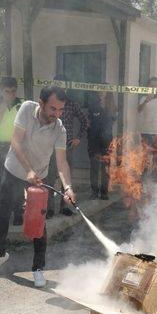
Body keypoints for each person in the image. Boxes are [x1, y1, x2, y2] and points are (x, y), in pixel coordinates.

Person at [0, 86, 75, 288]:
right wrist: (28, 170)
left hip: (38, 178)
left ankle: (38, 268)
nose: (57, 114)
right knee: (2, 213)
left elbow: (61, 163)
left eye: (61, 110)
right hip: (14, 169)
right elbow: (15, 142)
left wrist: (68, 187)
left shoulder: (59, 129)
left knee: (38, 223)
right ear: (41, 103)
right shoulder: (26, 109)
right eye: (53, 109)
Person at [46, 75, 88, 217]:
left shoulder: (72, 104)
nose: (60, 89)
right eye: (57, 86)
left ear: (66, 88)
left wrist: (78, 138)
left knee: (67, 179)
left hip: (67, 147)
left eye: (62, 86)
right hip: (50, 147)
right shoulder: (48, 104)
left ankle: (65, 207)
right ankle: (49, 209)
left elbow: (85, 121)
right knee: (50, 178)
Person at [0, 77, 24, 225]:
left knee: (17, 182)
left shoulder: (22, 104)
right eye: (7, 91)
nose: (11, 94)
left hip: (16, 148)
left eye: (13, 91)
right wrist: (4, 104)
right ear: (1, 91)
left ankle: (17, 214)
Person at [87, 91, 116, 199]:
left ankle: (104, 192)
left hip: (106, 141)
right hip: (94, 141)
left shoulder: (111, 106)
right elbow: (89, 120)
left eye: (103, 91)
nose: (101, 93)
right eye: (99, 91)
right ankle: (94, 192)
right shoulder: (93, 105)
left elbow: (112, 120)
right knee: (94, 167)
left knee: (105, 168)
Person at [137, 77, 157, 180]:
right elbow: (139, 110)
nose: (153, 87)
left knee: (156, 158)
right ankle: (143, 178)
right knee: (145, 157)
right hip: (146, 132)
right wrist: (146, 101)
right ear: (148, 86)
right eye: (151, 85)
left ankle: (155, 178)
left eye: (155, 85)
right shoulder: (143, 98)